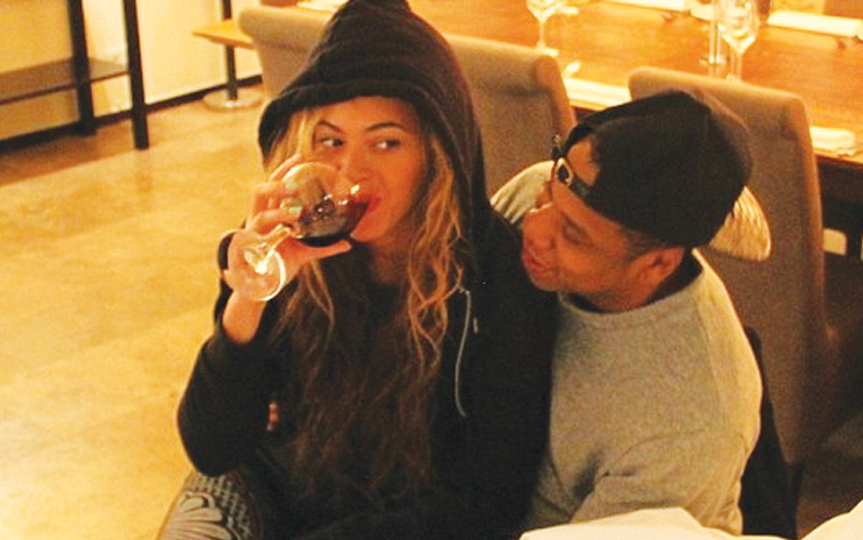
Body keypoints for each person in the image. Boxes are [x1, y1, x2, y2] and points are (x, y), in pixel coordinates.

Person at [157, 1, 556, 539]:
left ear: (436, 150)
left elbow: (485, 503)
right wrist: (248, 301)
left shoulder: (495, 279)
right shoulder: (286, 247)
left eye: (386, 143)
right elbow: (214, 449)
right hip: (274, 496)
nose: (351, 172)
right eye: (331, 141)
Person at [493, 90, 764, 535]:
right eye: (547, 196)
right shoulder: (542, 197)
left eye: (573, 235)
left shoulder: (692, 422)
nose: (535, 228)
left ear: (657, 264)